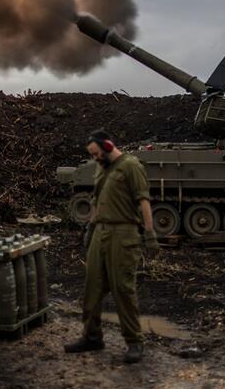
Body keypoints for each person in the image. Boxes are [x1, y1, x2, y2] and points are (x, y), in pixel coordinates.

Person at [64, 129, 159, 364]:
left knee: (122, 289)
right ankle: (92, 336)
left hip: (123, 233)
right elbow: (97, 199)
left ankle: (135, 341)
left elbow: (143, 200)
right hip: (101, 232)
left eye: (96, 153)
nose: (95, 158)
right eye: (92, 155)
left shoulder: (131, 166)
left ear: (107, 146)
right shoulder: (101, 167)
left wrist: (149, 233)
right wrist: (91, 227)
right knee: (92, 286)